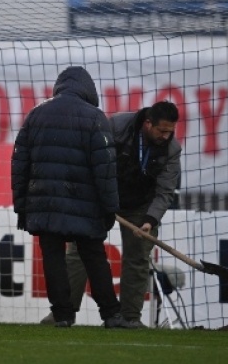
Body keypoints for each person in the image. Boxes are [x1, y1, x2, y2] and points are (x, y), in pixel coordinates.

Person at [11, 66, 134, 329]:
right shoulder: (95, 118)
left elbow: (19, 163)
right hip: (84, 205)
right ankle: (111, 315)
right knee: (94, 257)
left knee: (53, 258)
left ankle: (63, 315)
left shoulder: (36, 115)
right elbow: (105, 169)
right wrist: (109, 208)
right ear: (88, 91)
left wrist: (21, 206)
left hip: (45, 204)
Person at [40, 101, 182, 328]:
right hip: (102, 197)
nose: (166, 136)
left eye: (170, 131)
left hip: (140, 206)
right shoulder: (115, 125)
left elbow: (165, 191)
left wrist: (149, 220)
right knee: (79, 251)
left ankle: (129, 319)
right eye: (162, 130)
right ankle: (63, 314)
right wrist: (95, 197)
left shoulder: (172, 150)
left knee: (137, 258)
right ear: (148, 123)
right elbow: (90, 159)